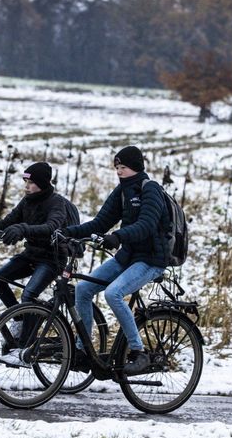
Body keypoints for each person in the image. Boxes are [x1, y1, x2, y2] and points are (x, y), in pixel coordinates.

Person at [0, 161, 76, 366]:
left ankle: (24, 349)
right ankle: (21, 320)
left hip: (51, 258)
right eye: (25, 181)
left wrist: (24, 229)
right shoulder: (27, 200)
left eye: (30, 182)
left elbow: (51, 226)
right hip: (31, 255)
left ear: (42, 183)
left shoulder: (56, 203)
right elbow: (6, 223)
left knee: (28, 294)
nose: (26, 186)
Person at [62, 146, 167, 375]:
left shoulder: (151, 190)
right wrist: (68, 232)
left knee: (113, 293)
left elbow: (146, 225)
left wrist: (118, 236)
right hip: (127, 256)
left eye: (124, 167)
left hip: (150, 259)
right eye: (117, 167)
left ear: (136, 168)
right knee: (83, 289)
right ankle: (83, 351)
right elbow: (99, 223)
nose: (119, 172)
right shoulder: (122, 191)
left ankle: (139, 353)